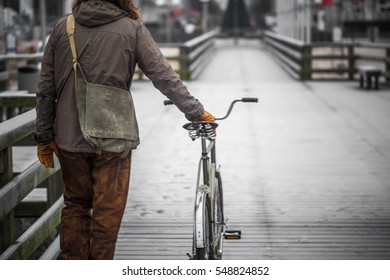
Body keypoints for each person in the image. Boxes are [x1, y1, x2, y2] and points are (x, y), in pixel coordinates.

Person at [35, 0, 214, 260]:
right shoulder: (131, 28)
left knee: (75, 204)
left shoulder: (64, 28)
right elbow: (162, 74)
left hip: (69, 137)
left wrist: (44, 136)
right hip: (114, 136)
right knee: (107, 212)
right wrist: (195, 111)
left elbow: (45, 89)